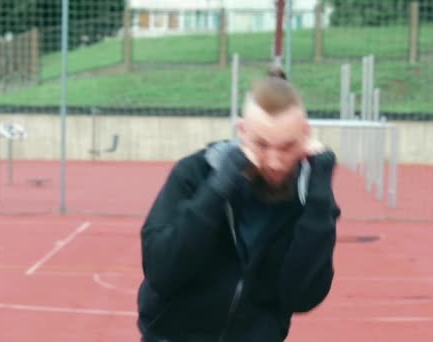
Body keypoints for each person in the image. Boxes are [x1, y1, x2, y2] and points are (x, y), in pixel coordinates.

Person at [137, 67, 341, 341]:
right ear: (242, 131)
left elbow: (302, 297)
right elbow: (161, 270)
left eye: (287, 147)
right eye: (262, 144)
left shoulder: (308, 198)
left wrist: (319, 194)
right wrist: (219, 187)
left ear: (305, 135)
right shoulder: (196, 173)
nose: (274, 161)